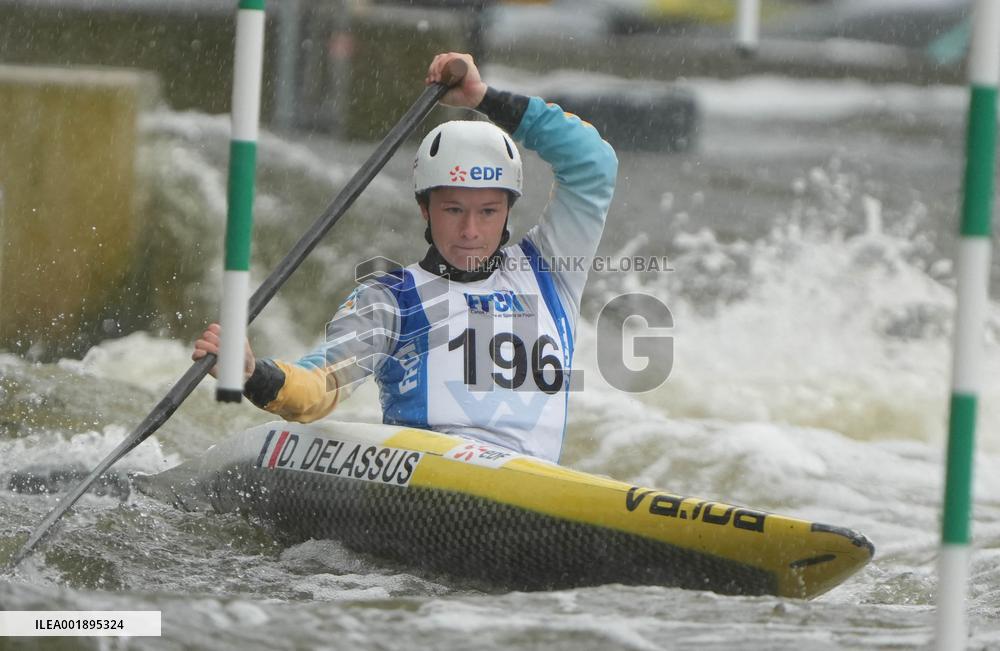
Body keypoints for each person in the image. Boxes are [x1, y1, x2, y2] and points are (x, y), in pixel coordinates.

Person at [193, 52, 617, 463]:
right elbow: (319, 389)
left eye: (488, 211)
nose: (470, 230)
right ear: (425, 210)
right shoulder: (389, 299)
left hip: (535, 486)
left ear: (508, 210)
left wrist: (482, 98)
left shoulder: (549, 271)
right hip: (431, 486)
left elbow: (593, 163)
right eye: (453, 210)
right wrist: (252, 372)